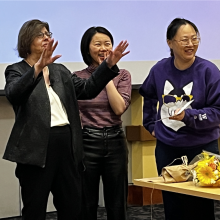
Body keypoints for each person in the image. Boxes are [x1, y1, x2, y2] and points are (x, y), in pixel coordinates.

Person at [3, 19, 129, 220]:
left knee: (72, 208)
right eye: (40, 34)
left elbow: (88, 89)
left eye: (48, 34)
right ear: (27, 39)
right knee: (34, 208)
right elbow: (14, 94)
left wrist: (108, 65)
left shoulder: (60, 71)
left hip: (67, 146)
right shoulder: (16, 70)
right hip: (37, 149)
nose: (46, 37)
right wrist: (36, 69)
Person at [139, 18, 220, 220]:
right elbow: (147, 95)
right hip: (168, 146)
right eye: (184, 40)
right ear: (170, 43)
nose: (191, 44)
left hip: (203, 148)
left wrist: (188, 116)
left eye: (194, 39)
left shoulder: (209, 71)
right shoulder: (159, 70)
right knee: (173, 204)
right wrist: (150, 125)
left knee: (201, 205)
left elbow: (218, 111)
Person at [74, 26, 131, 220]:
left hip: (115, 141)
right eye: (97, 44)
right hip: (87, 141)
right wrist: (101, 71)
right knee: (86, 202)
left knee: (117, 203)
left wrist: (106, 74)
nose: (103, 48)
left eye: (107, 44)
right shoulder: (77, 77)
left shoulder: (122, 75)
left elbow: (118, 109)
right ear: (87, 48)